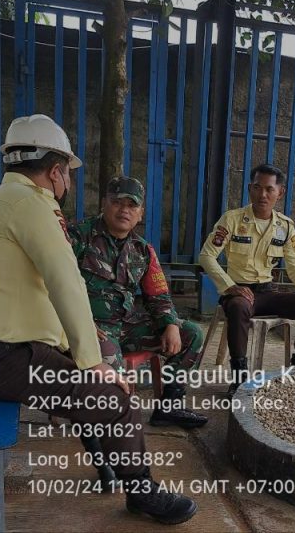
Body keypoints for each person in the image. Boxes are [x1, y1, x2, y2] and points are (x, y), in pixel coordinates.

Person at [0, 114, 197, 525]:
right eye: (67, 173)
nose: (67, 182)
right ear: (55, 172)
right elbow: (65, 282)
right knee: (115, 399)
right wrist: (92, 362)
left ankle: (115, 463)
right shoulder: (34, 205)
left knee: (98, 380)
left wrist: (80, 350)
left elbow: (34, 291)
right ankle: (140, 491)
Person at [67, 175, 208, 430]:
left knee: (191, 333)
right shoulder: (78, 237)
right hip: (92, 328)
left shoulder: (142, 250)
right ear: (104, 203)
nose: (124, 210)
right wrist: (79, 324)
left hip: (126, 325)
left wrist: (170, 323)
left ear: (140, 213)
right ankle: (107, 421)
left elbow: (159, 295)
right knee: (115, 385)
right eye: (117, 202)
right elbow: (55, 284)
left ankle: (169, 407)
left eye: (132, 205)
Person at [198, 164, 295, 392]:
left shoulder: (285, 227)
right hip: (239, 293)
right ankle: (239, 378)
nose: (262, 195)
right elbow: (206, 256)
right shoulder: (232, 220)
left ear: (280, 192)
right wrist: (230, 287)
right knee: (238, 307)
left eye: (269, 189)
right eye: (257, 188)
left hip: (268, 292)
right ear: (250, 188)